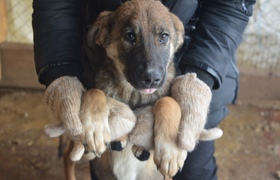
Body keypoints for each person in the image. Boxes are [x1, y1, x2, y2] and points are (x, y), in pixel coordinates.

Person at [32, 0, 256, 179]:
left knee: (195, 170)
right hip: (99, 65)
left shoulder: (176, 37)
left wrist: (201, 78)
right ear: (100, 37)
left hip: (195, 58)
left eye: (163, 37)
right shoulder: (103, 40)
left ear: (175, 39)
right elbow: (54, 4)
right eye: (130, 37)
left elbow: (231, 6)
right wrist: (60, 71)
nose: (150, 71)